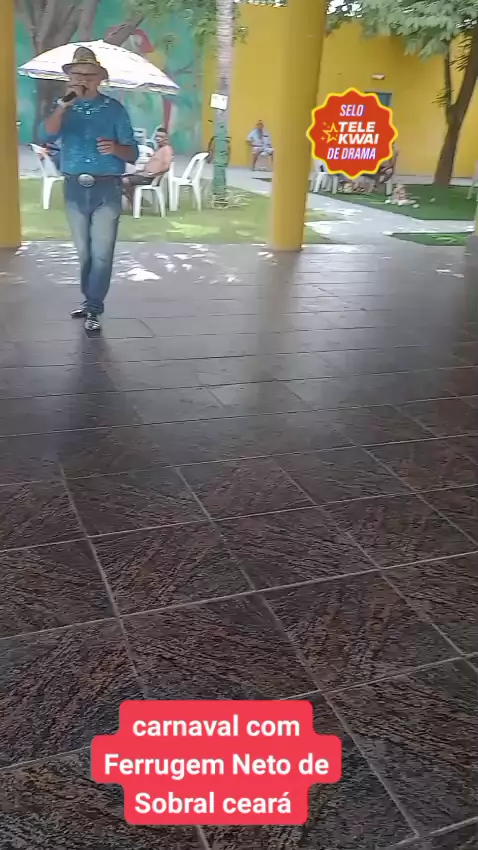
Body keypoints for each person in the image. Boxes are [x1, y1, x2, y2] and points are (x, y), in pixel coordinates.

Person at [37, 46, 138, 332]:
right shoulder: (63, 108)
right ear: (69, 78)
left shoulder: (115, 110)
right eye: (77, 74)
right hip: (74, 188)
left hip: (107, 188)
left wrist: (115, 148)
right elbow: (46, 134)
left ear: (100, 78)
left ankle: (94, 307)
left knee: (102, 252)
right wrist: (63, 106)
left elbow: (132, 154)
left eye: (90, 75)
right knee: (84, 252)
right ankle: (88, 300)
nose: (83, 79)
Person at [122, 126, 173, 208]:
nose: (158, 138)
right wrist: (140, 171)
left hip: (149, 178)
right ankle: (136, 201)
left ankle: (135, 203)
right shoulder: (159, 149)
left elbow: (166, 166)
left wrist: (152, 174)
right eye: (157, 136)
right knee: (118, 180)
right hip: (144, 175)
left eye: (161, 137)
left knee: (124, 181)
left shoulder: (166, 150)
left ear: (166, 139)